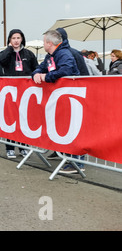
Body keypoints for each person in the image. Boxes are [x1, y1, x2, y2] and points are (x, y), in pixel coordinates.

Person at [32, 29, 83, 174]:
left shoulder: (64, 54)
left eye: (43, 42)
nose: (43, 44)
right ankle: (69, 159)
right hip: (61, 98)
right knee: (64, 126)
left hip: (71, 97)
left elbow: (65, 71)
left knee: (73, 128)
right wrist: (37, 74)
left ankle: (77, 162)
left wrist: (45, 77)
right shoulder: (50, 56)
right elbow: (39, 69)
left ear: (49, 43)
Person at [0, 29, 38, 159]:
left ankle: (23, 147)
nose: (16, 40)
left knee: (24, 120)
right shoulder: (6, 53)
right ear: (9, 40)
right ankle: (10, 147)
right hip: (11, 92)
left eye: (18, 38)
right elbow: (0, 60)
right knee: (11, 119)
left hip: (25, 93)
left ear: (22, 39)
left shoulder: (29, 54)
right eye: (13, 38)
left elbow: (36, 69)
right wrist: (9, 50)